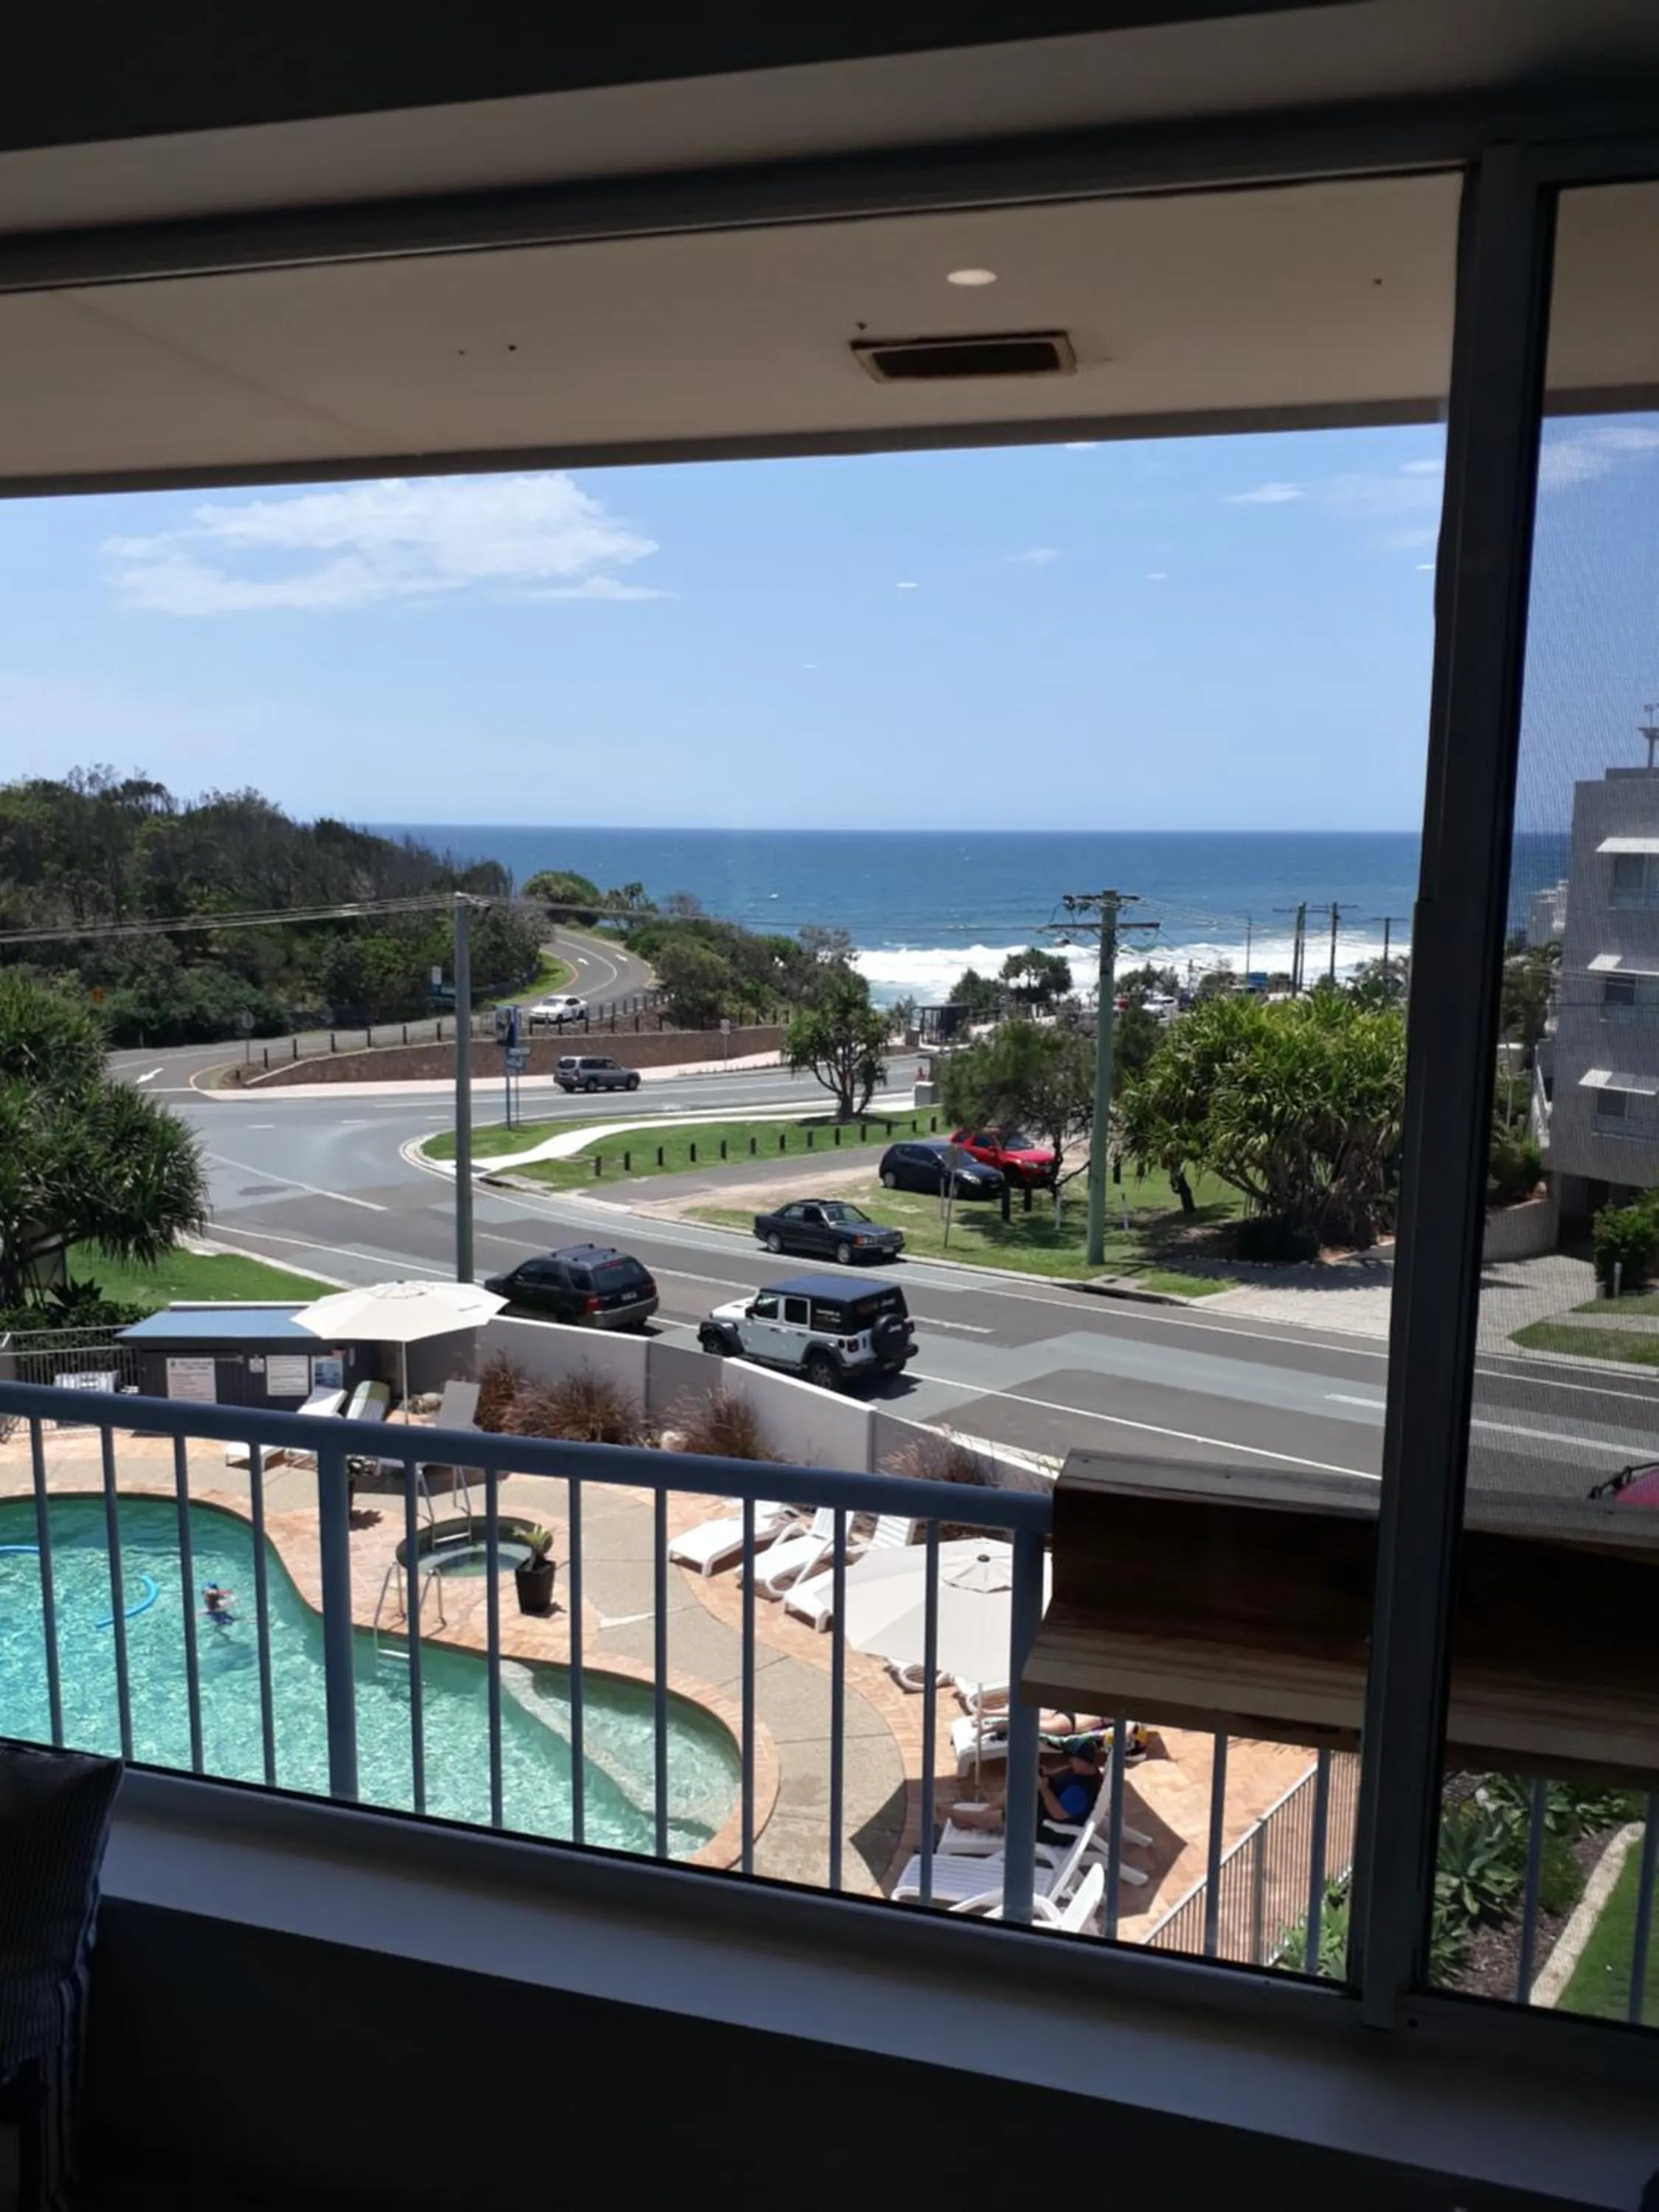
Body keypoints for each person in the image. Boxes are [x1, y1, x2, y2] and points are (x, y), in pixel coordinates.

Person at [950, 1738, 1103, 1848]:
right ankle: (983, 1815)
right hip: (1044, 1813)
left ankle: (957, 1815)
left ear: (1083, 1762)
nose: (1069, 1762)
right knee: (1019, 1784)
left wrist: (1044, 1789)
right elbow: (1059, 1774)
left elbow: (1058, 1814)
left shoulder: (1080, 1792)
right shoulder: (1084, 1772)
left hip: (1052, 1829)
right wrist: (1045, 1773)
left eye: (1072, 1759)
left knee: (1011, 1815)